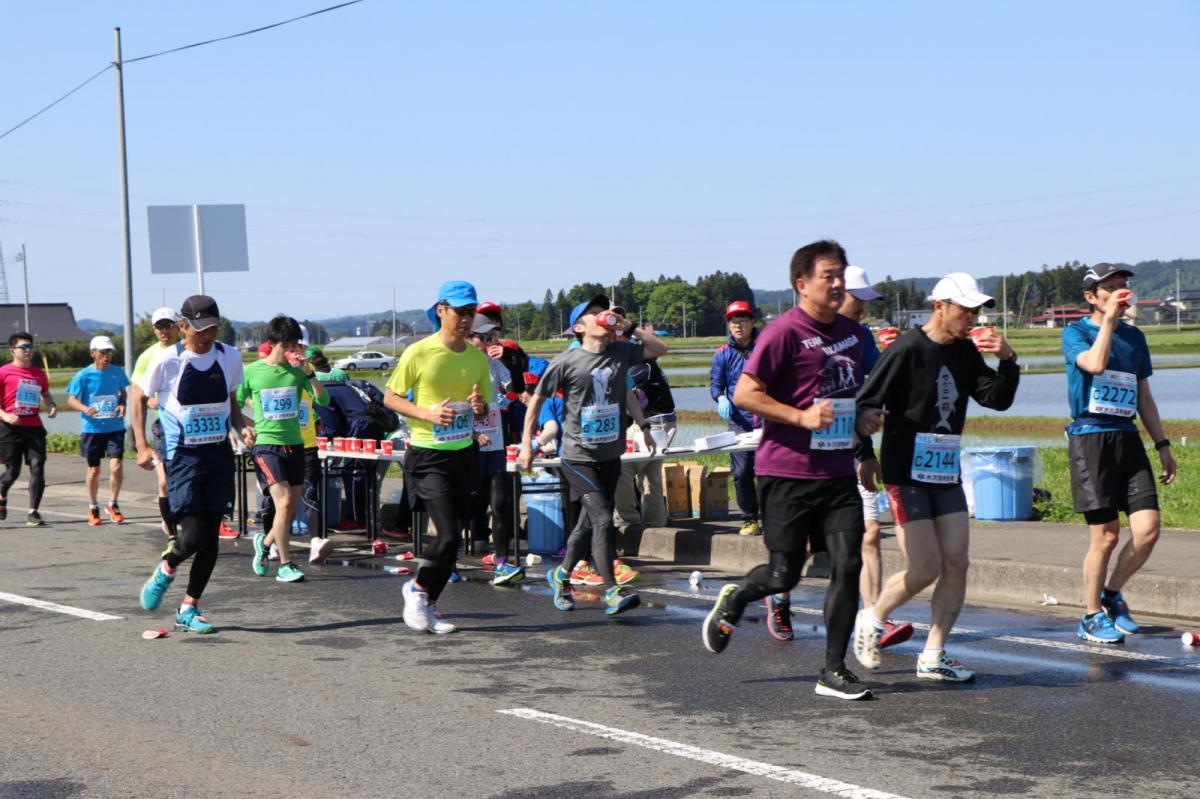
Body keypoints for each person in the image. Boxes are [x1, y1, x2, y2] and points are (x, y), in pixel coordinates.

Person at [701, 240, 873, 701]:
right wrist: (800, 417)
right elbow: (745, 395)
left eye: (842, 275)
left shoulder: (855, 335)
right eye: (828, 276)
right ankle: (736, 599)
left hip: (836, 474)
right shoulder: (783, 333)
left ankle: (833, 670)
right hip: (786, 474)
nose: (838, 284)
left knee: (848, 565)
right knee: (784, 574)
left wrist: (865, 419)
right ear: (802, 284)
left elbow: (853, 395)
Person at [852, 272, 1019, 683]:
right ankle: (871, 618)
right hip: (904, 472)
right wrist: (864, 454)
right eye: (965, 311)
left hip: (944, 471)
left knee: (958, 562)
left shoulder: (964, 352)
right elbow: (864, 403)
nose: (972, 319)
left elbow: (995, 399)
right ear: (939, 306)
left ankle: (934, 653)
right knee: (924, 568)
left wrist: (1009, 360)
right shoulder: (907, 347)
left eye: (976, 312)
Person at [520, 294, 667, 616]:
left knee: (587, 525)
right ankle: (612, 590)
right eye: (595, 313)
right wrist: (527, 444)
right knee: (602, 519)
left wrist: (642, 426)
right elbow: (536, 402)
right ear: (579, 326)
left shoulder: (620, 352)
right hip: (577, 457)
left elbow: (658, 351)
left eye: (605, 312)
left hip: (610, 454)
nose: (604, 316)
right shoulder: (566, 362)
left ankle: (560, 576)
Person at [1062, 263, 1177, 644]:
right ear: (1091, 297)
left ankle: (1111, 594)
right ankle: (1090, 615)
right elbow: (1094, 365)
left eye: (1123, 286)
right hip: (1091, 438)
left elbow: (1144, 395)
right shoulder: (1075, 332)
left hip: (1127, 437)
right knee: (1106, 536)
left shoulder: (1135, 337)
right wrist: (1109, 322)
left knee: (1147, 530)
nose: (1119, 293)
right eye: (1109, 288)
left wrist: (1162, 445)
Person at [133, 295, 250, 633]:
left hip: (218, 454)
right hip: (182, 456)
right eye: (199, 329)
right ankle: (168, 566)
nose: (206, 335)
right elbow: (138, 397)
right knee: (194, 535)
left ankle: (189, 608)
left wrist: (241, 427)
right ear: (183, 326)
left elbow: (230, 400)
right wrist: (141, 445)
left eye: (212, 328)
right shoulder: (168, 360)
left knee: (211, 538)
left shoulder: (229, 356)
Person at [384, 281, 492, 635]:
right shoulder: (419, 352)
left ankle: (429, 603)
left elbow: (482, 408)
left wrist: (478, 409)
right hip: (428, 454)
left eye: (470, 312)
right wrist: (426, 414)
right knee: (446, 535)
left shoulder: (477, 357)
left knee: (455, 539)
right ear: (441, 310)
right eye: (459, 312)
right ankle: (416, 589)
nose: (465, 319)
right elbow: (391, 398)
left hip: (465, 453)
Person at [839, 266, 912, 650]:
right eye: (858, 299)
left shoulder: (862, 335)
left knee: (869, 533)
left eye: (868, 301)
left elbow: (875, 383)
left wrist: (896, 352)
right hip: (816, 452)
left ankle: (872, 615)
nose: (863, 308)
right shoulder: (813, 337)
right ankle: (779, 592)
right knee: (805, 542)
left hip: (857, 444)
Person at [238, 316, 330, 584]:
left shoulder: (299, 371)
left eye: (295, 345)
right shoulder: (252, 371)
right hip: (267, 446)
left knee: (288, 510)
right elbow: (233, 404)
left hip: (296, 446)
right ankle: (286, 564)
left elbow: (323, 399)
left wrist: (309, 372)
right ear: (273, 343)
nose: (292, 350)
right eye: (287, 345)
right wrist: (246, 426)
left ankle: (264, 543)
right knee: (286, 502)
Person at [467, 314, 525, 586]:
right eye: (484, 337)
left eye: (492, 336)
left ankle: (501, 561)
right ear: (469, 337)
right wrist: (473, 433)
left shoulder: (493, 363)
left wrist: (513, 361)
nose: (490, 341)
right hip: (465, 442)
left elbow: (516, 389)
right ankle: (450, 561)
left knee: (500, 502)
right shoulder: (458, 365)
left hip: (495, 442)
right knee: (464, 502)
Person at [710, 300, 761, 537]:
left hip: (768, 418)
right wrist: (720, 397)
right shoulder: (722, 354)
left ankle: (774, 517)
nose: (738, 325)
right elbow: (716, 384)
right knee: (741, 472)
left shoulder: (766, 347)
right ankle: (750, 518)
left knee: (770, 471)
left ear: (752, 322)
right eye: (733, 321)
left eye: (742, 319)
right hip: (738, 421)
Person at [66, 336, 130, 525]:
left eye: (109, 352)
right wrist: (85, 409)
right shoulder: (83, 375)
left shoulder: (117, 372)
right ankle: (93, 506)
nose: (106, 356)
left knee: (117, 465)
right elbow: (71, 399)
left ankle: (113, 503)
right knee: (94, 470)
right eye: (102, 352)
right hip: (92, 428)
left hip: (114, 426)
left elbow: (123, 392)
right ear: (93, 353)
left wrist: (122, 404)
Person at [132, 307, 182, 543]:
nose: (164, 331)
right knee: (164, 482)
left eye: (168, 325)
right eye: (159, 326)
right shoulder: (147, 357)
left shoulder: (190, 350)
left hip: (192, 427)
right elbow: (137, 399)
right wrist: (141, 445)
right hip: (164, 427)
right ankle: (172, 536)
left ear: (179, 326)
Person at [0, 332, 57, 526]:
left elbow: (46, 393)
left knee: (37, 466)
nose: (27, 351)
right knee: (12, 472)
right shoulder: (4, 372)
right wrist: (5, 415)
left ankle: (33, 512)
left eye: (30, 347)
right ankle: (1, 493)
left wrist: (51, 405)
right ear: (12, 350)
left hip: (33, 426)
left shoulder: (38, 373)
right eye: (23, 347)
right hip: (10, 428)